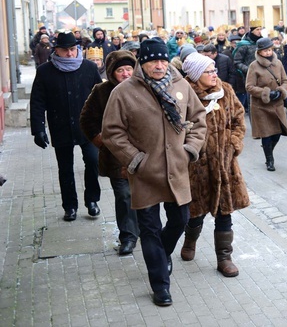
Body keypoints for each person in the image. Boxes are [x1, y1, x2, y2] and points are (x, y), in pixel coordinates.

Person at [102, 37, 207, 307]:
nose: (159, 65)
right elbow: (112, 132)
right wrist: (135, 159)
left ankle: (162, 253)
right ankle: (160, 285)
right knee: (149, 230)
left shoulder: (181, 85)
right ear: (142, 63)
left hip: (177, 170)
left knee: (180, 221)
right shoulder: (124, 92)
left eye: (162, 60)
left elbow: (198, 120)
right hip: (145, 173)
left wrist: (190, 149)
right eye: (152, 61)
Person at [179, 52, 249, 278]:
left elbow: (239, 119)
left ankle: (224, 257)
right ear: (196, 74)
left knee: (224, 212)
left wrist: (233, 143)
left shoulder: (225, 91)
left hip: (224, 164)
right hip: (196, 166)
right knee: (195, 212)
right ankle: (190, 241)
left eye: (214, 70)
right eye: (208, 71)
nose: (214, 74)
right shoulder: (185, 95)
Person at [30, 30, 103, 222]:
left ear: (77, 49)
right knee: (65, 168)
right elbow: (38, 101)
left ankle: (92, 200)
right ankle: (70, 206)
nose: (69, 54)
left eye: (72, 49)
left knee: (93, 161)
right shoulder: (45, 71)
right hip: (60, 124)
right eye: (65, 50)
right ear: (57, 51)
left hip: (88, 126)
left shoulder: (88, 67)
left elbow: (101, 97)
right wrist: (38, 129)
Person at [79, 50, 139, 255]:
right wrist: (101, 141)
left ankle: (146, 231)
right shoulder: (101, 91)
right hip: (117, 156)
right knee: (123, 195)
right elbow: (86, 119)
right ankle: (128, 236)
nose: (125, 74)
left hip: (145, 154)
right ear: (112, 73)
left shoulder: (146, 87)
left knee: (144, 194)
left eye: (129, 69)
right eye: (120, 70)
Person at [247, 37, 287, 171]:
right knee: (266, 134)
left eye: (270, 50)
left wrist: (281, 90)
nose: (268, 52)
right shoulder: (254, 66)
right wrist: (266, 93)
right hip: (261, 106)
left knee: (277, 133)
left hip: (276, 104)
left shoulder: (278, 63)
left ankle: (268, 149)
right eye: (265, 51)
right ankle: (269, 160)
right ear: (259, 52)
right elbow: (249, 86)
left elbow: (286, 81)